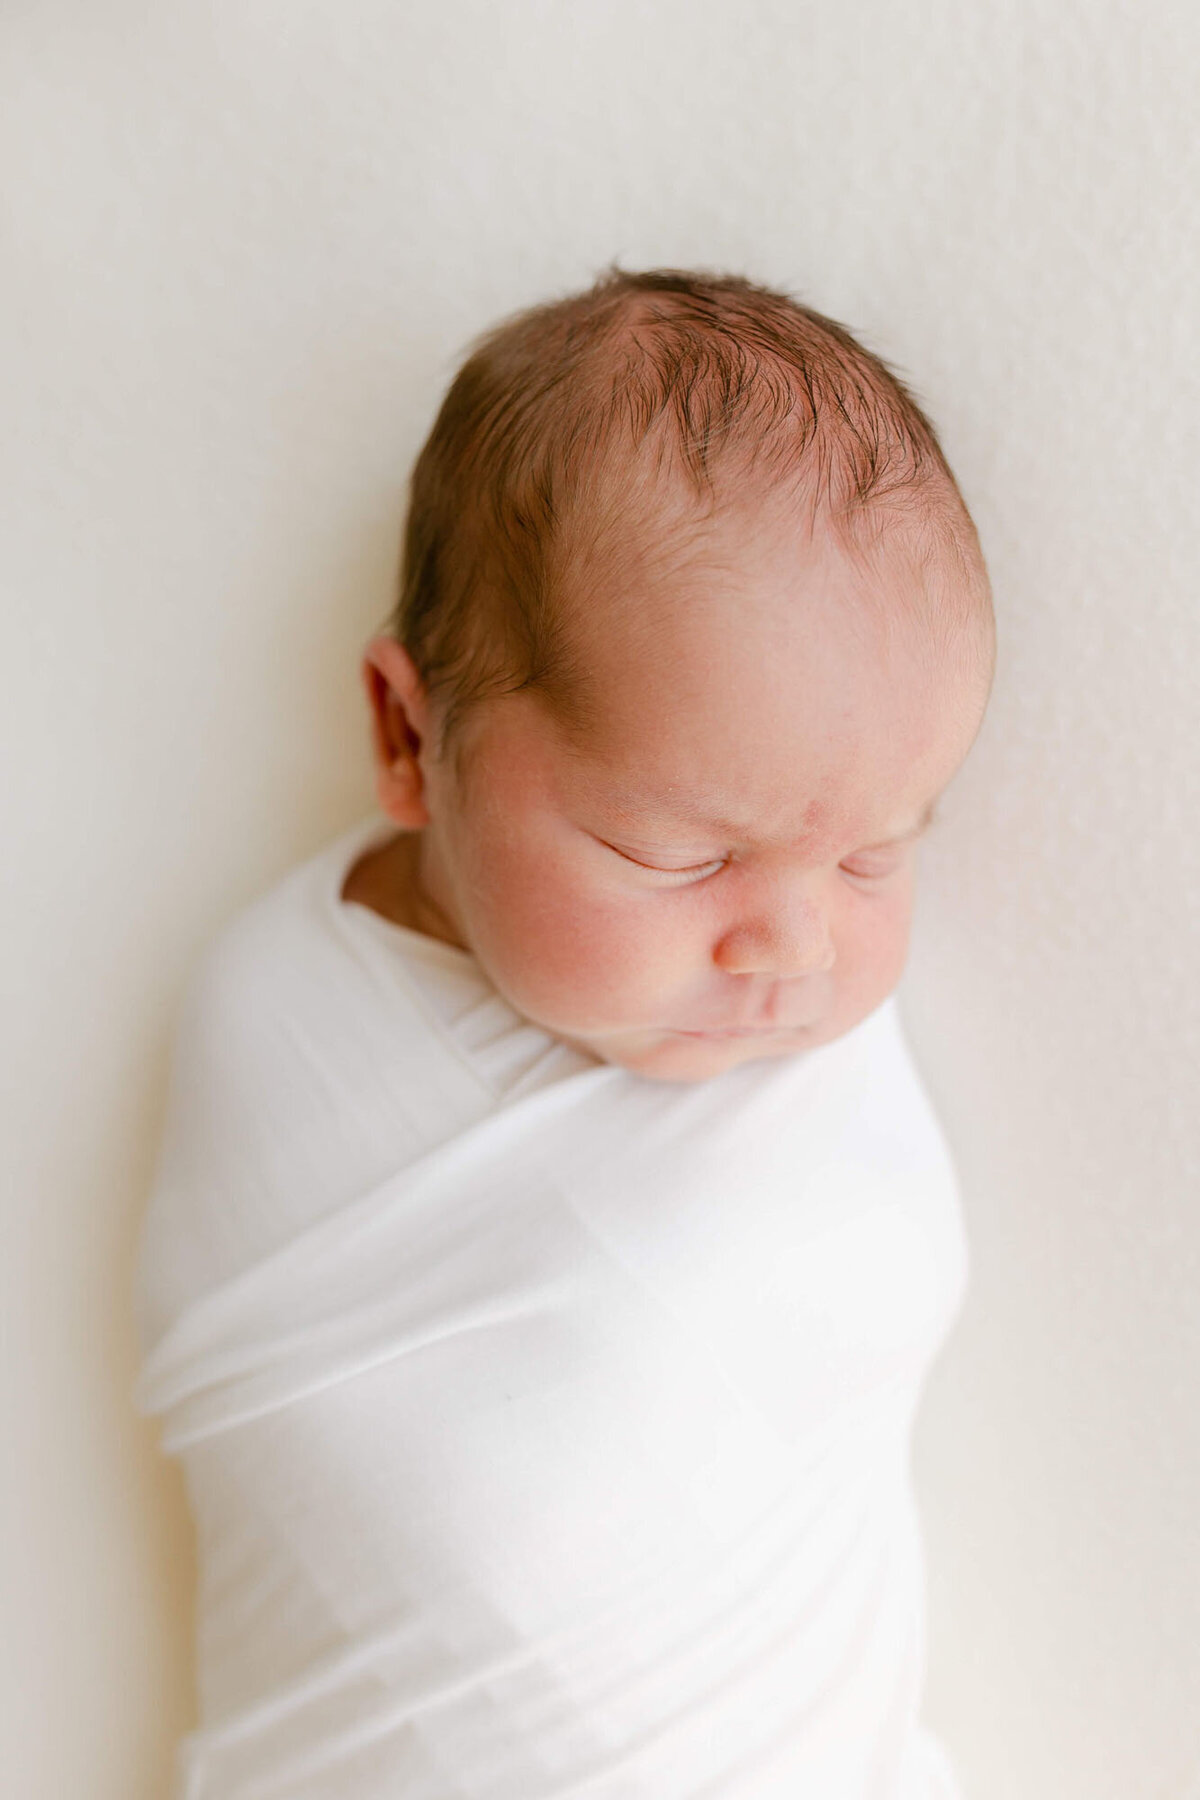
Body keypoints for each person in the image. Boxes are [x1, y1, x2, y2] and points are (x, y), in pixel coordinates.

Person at [134, 267, 996, 1798]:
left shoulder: (783, 1013)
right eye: (678, 854)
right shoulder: (281, 1019)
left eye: (881, 850)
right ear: (411, 735)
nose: (793, 946)